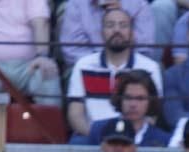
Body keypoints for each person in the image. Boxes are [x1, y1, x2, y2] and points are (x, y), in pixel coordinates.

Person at [66, 7, 163, 138]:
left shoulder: (149, 67)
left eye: (123, 25)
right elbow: (75, 113)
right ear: (101, 32)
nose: (117, 30)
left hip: (133, 138)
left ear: (132, 33)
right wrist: (96, 137)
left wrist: (126, 139)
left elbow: (152, 115)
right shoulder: (83, 65)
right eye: (110, 25)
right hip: (91, 136)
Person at [0, 0, 62, 104]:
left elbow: (40, 23)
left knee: (47, 71)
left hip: (29, 65)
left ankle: (49, 120)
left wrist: (42, 56)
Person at [78, 69, 170, 146]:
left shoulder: (163, 140)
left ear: (150, 101)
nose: (133, 104)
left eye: (140, 98)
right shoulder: (99, 130)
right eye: (128, 98)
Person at [59, 0, 156, 66]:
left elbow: (145, 48)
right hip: (89, 66)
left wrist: (120, 15)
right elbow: (72, 51)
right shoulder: (76, 3)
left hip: (132, 65)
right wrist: (104, 64)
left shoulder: (138, 3)